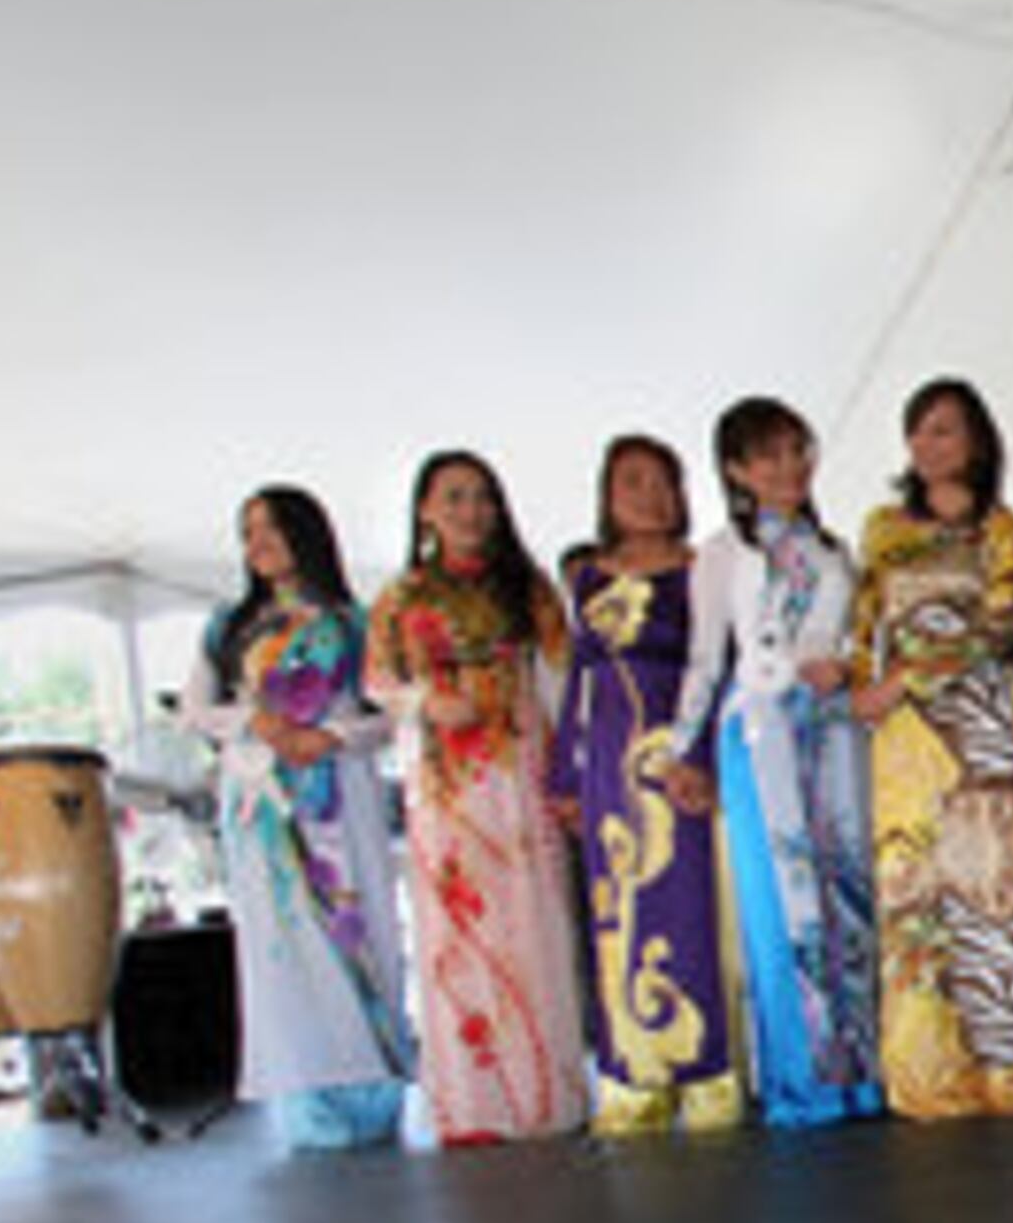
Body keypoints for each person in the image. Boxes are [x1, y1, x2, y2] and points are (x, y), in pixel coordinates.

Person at [363, 450, 589, 1144]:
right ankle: (474, 1104)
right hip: (444, 787)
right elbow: (377, 682)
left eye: (482, 497)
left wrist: (567, 774)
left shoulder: (528, 588)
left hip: (519, 770)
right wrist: (427, 699)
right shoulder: (401, 597)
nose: (471, 511)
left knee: (533, 925)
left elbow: (564, 677)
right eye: (455, 497)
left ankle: (546, 1097)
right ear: (426, 509)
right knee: (458, 934)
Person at [177, 486, 409, 1150]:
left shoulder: (354, 620)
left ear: (308, 533)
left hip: (338, 787)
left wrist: (333, 737)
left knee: (352, 924)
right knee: (285, 944)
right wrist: (257, 721)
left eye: (273, 528)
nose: (259, 543)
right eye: (248, 531)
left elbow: (388, 712)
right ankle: (309, 1100)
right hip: (260, 799)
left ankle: (372, 1088)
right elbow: (195, 709)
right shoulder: (227, 626)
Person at [668, 398, 879, 1127]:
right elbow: (704, 658)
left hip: (835, 728)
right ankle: (802, 1080)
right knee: (783, 905)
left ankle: (861, 1072)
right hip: (759, 732)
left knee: (848, 893)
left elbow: (859, 639)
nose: (787, 468)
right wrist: (676, 751)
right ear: (735, 470)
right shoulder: (723, 553)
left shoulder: (836, 552)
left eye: (797, 450)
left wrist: (846, 670)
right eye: (767, 455)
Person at [852, 378, 1013, 1117]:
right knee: (913, 893)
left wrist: (906, 675)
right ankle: (929, 1072)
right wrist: (862, 683)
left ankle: (1006, 1070)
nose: (932, 445)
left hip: (980, 723)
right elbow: (862, 620)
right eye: (921, 431)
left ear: (978, 441)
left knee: (988, 893)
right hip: (903, 735)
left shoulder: (1003, 528)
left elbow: (1000, 628)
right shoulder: (881, 528)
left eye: (948, 431)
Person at [548, 435, 745, 1135]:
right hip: (606, 765)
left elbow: (723, 665)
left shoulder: (705, 569)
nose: (649, 495)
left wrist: (709, 759)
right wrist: (562, 774)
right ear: (607, 494)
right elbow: (577, 678)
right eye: (632, 481)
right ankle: (634, 1075)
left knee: (690, 907)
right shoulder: (588, 579)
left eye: (663, 481)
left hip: (681, 759)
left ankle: (706, 1072)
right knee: (616, 910)